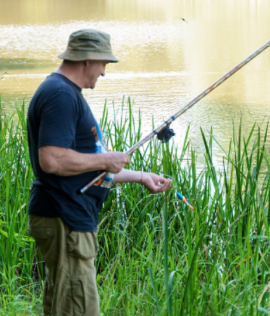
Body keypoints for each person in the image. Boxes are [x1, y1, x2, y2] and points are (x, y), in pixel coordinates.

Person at [26, 29, 173, 316]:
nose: (104, 72)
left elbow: (83, 169)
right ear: (87, 59)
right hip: (65, 218)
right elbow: (52, 160)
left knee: (65, 306)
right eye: (104, 63)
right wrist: (105, 159)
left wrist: (141, 176)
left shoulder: (65, 93)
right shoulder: (60, 95)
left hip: (67, 218)